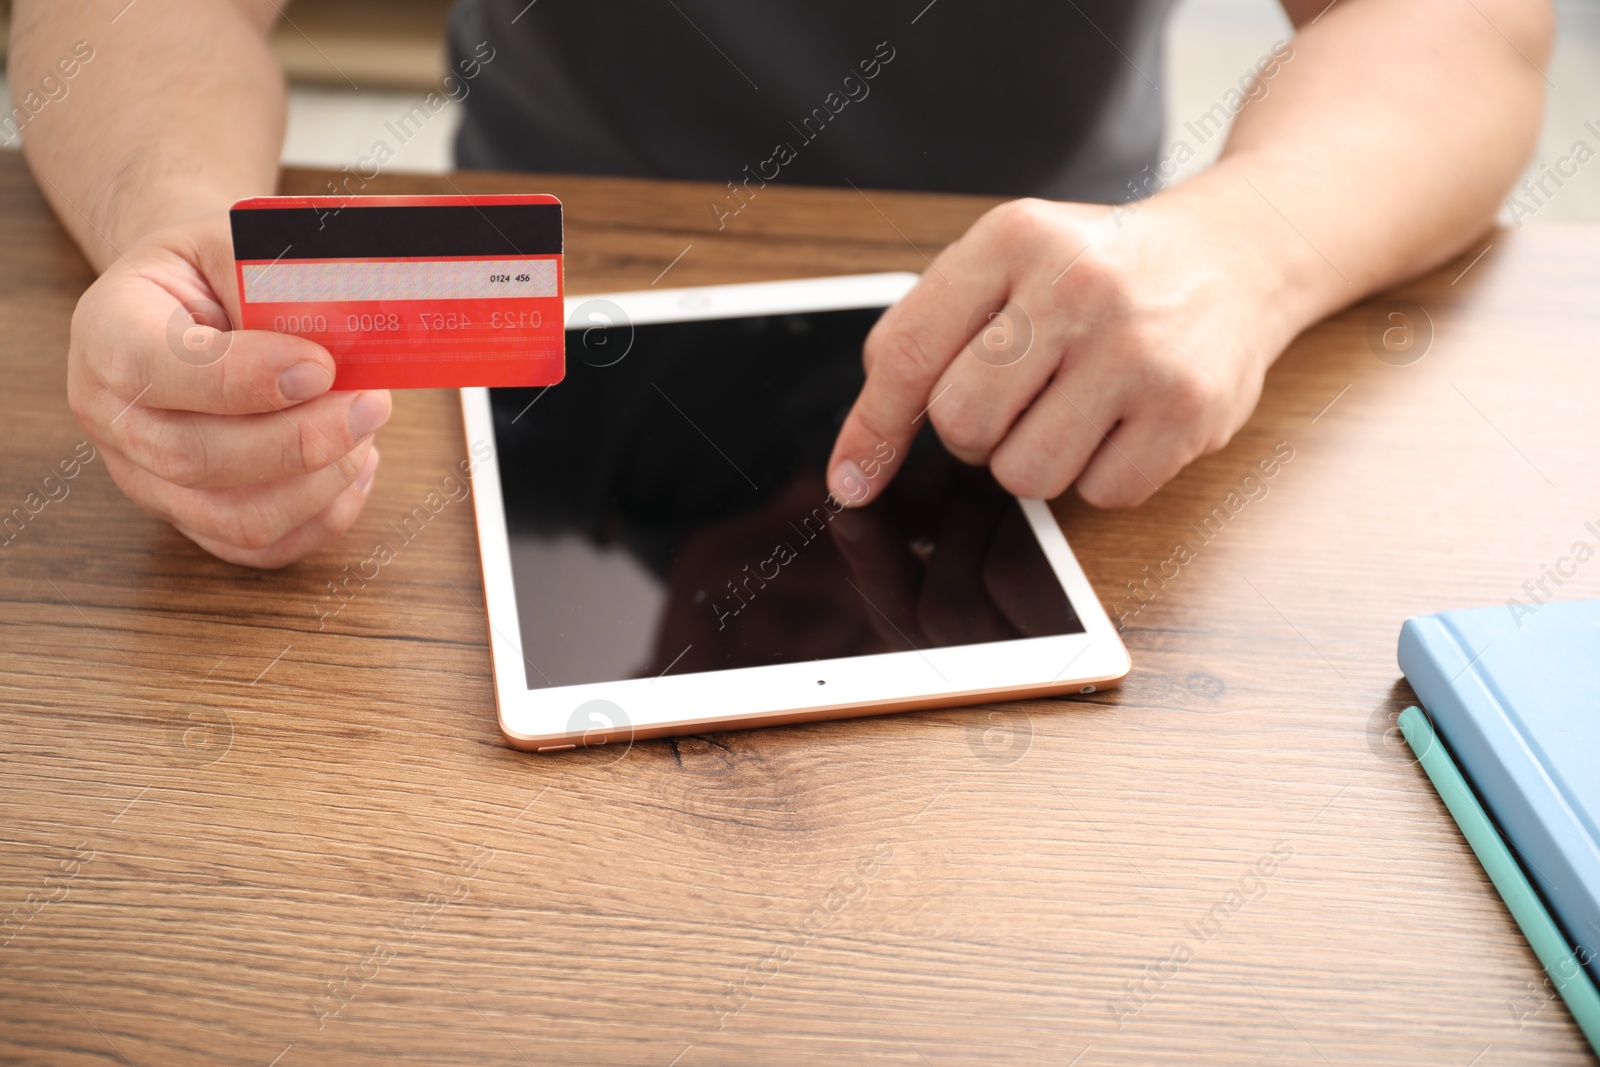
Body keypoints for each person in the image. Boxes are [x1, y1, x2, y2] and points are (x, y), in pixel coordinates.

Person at [10, 0, 1552, 568]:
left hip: (1051, 333)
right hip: (538, 325)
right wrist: (173, 229)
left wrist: (1242, 246)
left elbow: (1463, 27)